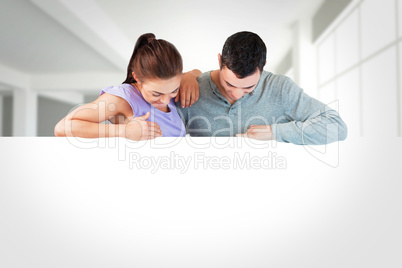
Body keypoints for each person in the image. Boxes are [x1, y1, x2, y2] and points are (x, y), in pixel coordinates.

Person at [177, 31, 348, 145]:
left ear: (263, 66)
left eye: (248, 87)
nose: (236, 94)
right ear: (220, 61)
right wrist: (185, 76)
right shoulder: (193, 89)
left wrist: (275, 132)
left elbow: (336, 126)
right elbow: (165, 132)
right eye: (229, 84)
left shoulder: (280, 89)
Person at [55, 33, 197, 140]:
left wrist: (191, 76)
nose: (166, 100)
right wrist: (124, 131)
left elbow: (196, 73)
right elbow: (63, 127)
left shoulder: (170, 82)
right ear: (137, 78)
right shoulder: (123, 97)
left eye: (174, 91)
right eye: (156, 94)